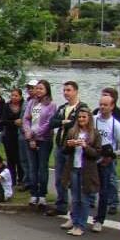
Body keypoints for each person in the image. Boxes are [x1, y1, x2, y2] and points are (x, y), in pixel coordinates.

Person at [59, 108, 101, 237]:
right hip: (74, 168)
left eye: (84, 117)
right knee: (76, 198)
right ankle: (75, 221)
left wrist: (85, 146)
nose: (81, 119)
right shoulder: (72, 131)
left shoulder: (94, 133)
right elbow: (64, 151)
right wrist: (69, 145)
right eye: (79, 117)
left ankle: (80, 225)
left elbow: (96, 154)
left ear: (89, 118)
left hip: (87, 171)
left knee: (84, 199)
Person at [92, 93, 120, 232]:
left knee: (104, 191)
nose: (102, 107)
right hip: (91, 158)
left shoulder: (116, 125)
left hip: (105, 162)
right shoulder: (93, 119)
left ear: (112, 106)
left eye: (105, 105)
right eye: (100, 104)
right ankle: (77, 216)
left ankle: (99, 220)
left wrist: (112, 156)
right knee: (85, 188)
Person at [48, 81, 86, 217]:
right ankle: (61, 204)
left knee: (74, 179)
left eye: (69, 90)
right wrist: (62, 122)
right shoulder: (63, 107)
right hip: (60, 145)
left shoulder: (82, 108)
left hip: (72, 148)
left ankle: (77, 207)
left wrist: (66, 123)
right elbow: (52, 123)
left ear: (76, 91)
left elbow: (78, 123)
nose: (66, 93)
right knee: (59, 177)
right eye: (64, 90)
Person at [22, 80, 55, 207]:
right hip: (30, 138)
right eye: (37, 88)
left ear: (47, 90)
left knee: (42, 167)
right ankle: (33, 193)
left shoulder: (51, 105)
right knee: (33, 167)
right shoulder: (31, 103)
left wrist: (36, 135)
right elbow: (26, 118)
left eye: (41, 88)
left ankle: (42, 194)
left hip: (44, 139)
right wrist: (29, 134)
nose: (38, 91)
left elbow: (48, 123)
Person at [2, 88, 26, 188]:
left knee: (20, 158)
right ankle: (12, 179)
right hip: (9, 134)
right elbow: (3, 120)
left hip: (19, 134)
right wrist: (13, 122)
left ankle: (21, 179)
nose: (14, 97)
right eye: (12, 95)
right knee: (10, 158)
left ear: (20, 96)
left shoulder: (24, 106)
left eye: (16, 96)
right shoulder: (7, 106)